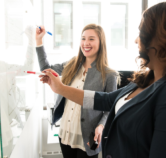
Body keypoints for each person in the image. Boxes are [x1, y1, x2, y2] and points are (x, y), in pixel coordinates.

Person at [39, 2, 166, 158]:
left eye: (141, 32)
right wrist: (60, 88)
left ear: (162, 38)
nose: (136, 40)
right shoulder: (145, 80)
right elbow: (105, 100)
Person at [35, 24, 118, 158]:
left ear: (101, 42)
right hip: (65, 133)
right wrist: (39, 41)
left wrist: (101, 125)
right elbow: (46, 69)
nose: (86, 43)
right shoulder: (72, 64)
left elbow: (111, 107)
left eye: (91, 39)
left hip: (88, 137)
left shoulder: (109, 74)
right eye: (83, 38)